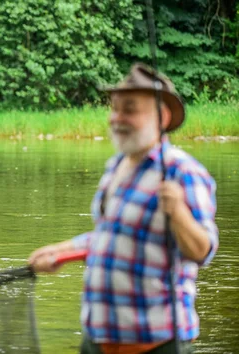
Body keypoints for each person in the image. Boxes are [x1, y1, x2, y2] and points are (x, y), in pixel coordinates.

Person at [28, 63, 218, 354]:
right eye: (114, 109)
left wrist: (178, 211)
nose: (117, 118)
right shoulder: (116, 165)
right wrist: (62, 250)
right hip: (98, 339)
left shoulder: (184, 172)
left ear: (162, 116)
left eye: (129, 109)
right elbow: (113, 237)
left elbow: (203, 251)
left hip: (159, 344)